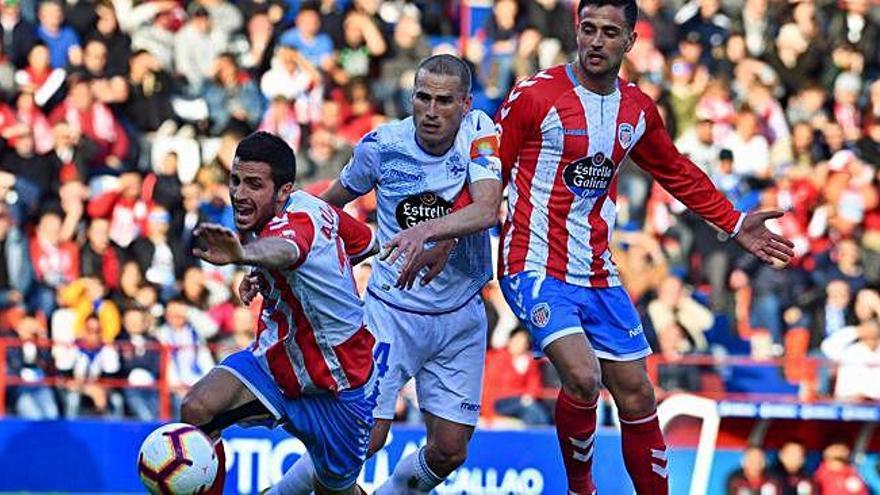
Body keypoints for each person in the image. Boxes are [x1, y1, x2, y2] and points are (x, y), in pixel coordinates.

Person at [491, 0, 796, 493]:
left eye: (610, 32)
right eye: (588, 29)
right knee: (584, 378)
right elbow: (487, 175)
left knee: (636, 395)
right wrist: (447, 239)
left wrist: (735, 222)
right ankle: (581, 488)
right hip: (533, 263)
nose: (595, 41)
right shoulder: (535, 96)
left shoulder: (636, 109)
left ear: (631, 41)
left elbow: (675, 171)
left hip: (596, 270)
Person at [312, 54, 502, 494]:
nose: (431, 111)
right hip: (391, 313)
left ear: (465, 103)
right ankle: (286, 490)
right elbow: (331, 202)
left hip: (459, 316)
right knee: (366, 440)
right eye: (422, 98)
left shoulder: (480, 134)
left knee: (451, 449)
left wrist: (426, 233)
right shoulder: (381, 146)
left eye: (444, 101)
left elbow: (487, 208)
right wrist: (274, 249)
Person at [180, 131, 378, 495]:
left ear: (283, 190)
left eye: (254, 185)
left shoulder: (294, 224)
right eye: (235, 181)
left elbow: (287, 249)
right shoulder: (315, 208)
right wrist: (261, 273)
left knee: (336, 490)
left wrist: (246, 257)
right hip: (276, 364)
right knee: (196, 409)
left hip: (338, 386)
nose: (239, 194)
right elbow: (365, 242)